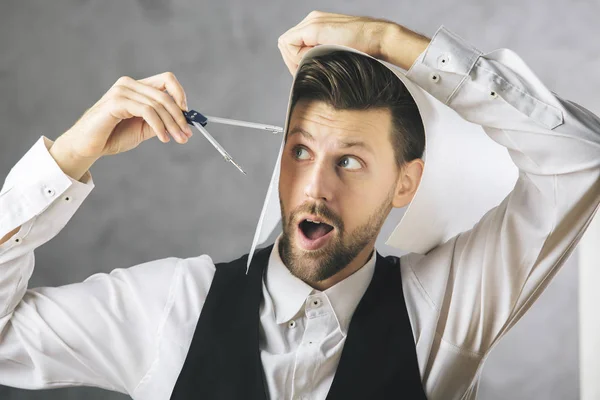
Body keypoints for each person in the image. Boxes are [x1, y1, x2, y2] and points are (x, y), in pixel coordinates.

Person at [0, 10, 598, 400]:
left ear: (405, 185)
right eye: (300, 151)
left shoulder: (442, 309)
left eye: (351, 161)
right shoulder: (169, 307)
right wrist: (70, 156)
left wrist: (391, 42)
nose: (315, 187)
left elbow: (581, 160)